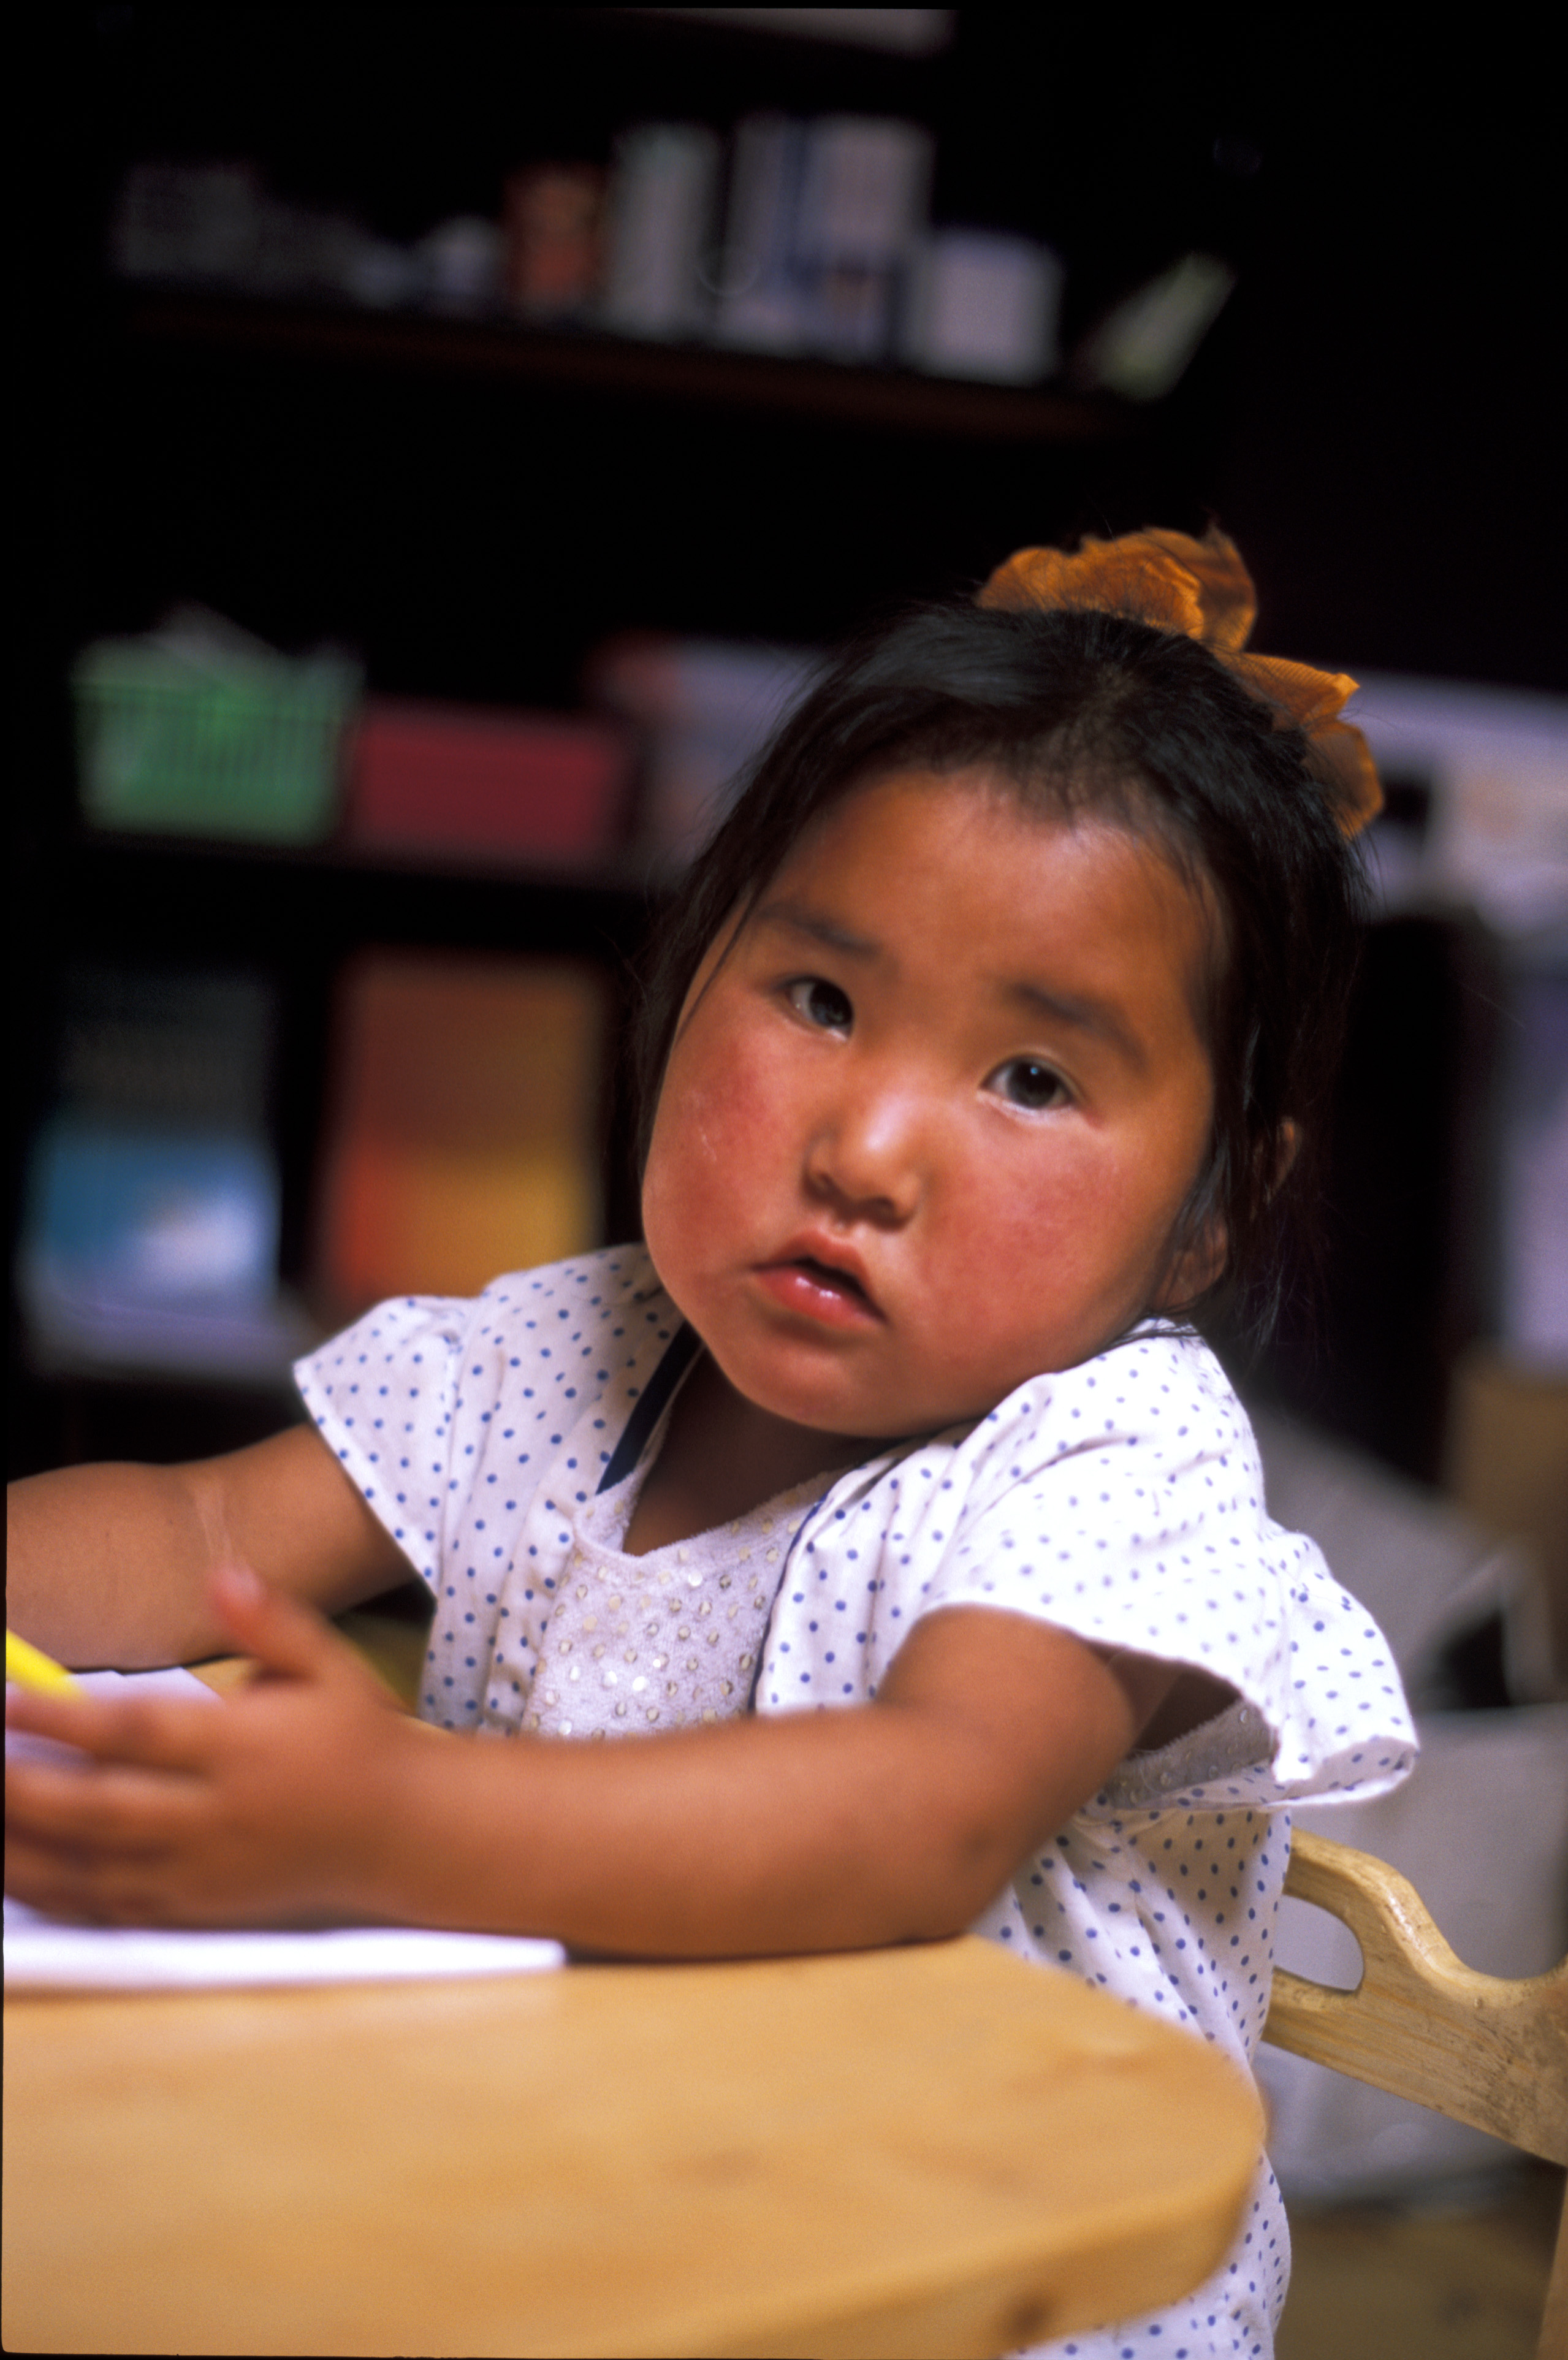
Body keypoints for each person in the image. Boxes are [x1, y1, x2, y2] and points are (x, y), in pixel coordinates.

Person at [6, 527, 1415, 2359]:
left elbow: (916, 1818)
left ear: (1216, 1209)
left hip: (978, 2293)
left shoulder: (1109, 1462)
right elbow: (197, 1520)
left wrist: (381, 1821)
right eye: (820, 1000)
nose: (867, 1147)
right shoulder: (576, 1349)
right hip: (619, 2216)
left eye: (1034, 1079)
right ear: (681, 975)